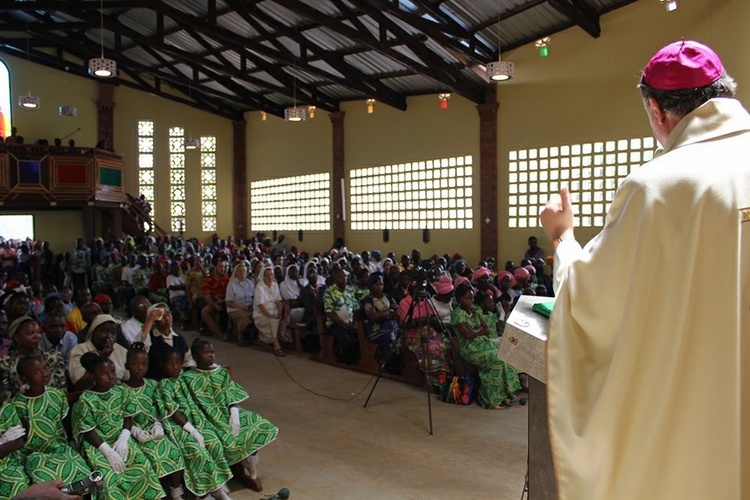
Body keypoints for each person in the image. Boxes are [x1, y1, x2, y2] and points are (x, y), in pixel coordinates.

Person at [539, 40, 750, 500]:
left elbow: (590, 301)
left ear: (657, 110)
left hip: (697, 424)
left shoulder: (655, 188)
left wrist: (562, 237)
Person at [183, 339, 278, 492]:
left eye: (212, 352)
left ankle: (250, 465)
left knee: (258, 424)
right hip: (206, 419)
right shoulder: (188, 378)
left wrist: (234, 411)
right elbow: (190, 404)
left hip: (226, 412)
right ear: (195, 356)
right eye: (206, 353)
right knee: (214, 441)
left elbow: (231, 393)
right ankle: (220, 479)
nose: (211, 356)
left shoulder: (220, 372)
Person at [71, 352, 164, 499]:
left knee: (142, 467)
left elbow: (128, 417)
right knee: (108, 477)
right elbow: (88, 431)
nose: (111, 376)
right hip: (98, 445)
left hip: (119, 438)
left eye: (113, 371)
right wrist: (108, 452)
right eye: (105, 374)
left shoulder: (121, 391)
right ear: (94, 376)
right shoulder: (86, 400)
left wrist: (124, 437)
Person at [157, 347, 233, 499]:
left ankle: (217, 486)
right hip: (179, 427)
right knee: (196, 451)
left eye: (177, 363)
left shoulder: (185, 378)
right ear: (163, 366)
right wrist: (192, 431)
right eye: (170, 364)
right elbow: (173, 412)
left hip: (196, 420)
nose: (175, 367)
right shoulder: (164, 385)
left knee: (213, 442)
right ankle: (202, 493)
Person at [11, 356, 92, 486]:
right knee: (47, 480)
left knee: (84, 476)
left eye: (45, 368)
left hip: (60, 448)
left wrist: (72, 442)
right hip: (34, 454)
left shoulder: (56, 395)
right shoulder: (18, 404)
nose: (44, 374)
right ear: (25, 379)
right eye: (37, 372)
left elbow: (64, 421)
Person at [122, 343, 186, 499]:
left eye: (143, 364)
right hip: (135, 434)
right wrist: (135, 431)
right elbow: (121, 417)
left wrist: (158, 425)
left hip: (154, 430)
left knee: (173, 451)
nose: (139, 368)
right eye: (135, 364)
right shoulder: (121, 390)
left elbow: (159, 408)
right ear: (126, 365)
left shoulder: (153, 385)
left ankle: (176, 490)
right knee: (148, 458)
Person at [450, 285, 520, 409]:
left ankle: (505, 395)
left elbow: (486, 328)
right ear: (459, 299)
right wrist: (478, 331)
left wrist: (476, 331)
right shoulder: (457, 314)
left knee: (506, 354)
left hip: (484, 343)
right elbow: (467, 335)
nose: (470, 301)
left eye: (471, 298)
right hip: (470, 349)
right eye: (467, 299)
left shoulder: (475, 310)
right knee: (495, 359)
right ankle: (490, 400)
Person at [0, 316, 66, 397]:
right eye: (30, 333)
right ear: (16, 337)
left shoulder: (53, 358)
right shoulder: (5, 363)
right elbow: (5, 395)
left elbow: (61, 390)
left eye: (38, 332)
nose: (37, 336)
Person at [68, 314, 129, 391]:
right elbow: (79, 384)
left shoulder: (120, 350)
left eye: (113, 333)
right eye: (105, 331)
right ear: (93, 332)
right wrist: (102, 357)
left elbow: (127, 378)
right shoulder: (79, 350)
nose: (110, 336)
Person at [137, 303, 195, 380]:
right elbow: (138, 348)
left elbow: (188, 359)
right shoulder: (150, 338)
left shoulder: (178, 338)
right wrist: (149, 320)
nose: (167, 318)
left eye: (168, 314)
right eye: (162, 316)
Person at [322, 268, 359, 365]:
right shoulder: (329, 292)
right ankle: (343, 358)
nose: (344, 279)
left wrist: (354, 323)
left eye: (345, 276)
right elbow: (329, 313)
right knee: (346, 341)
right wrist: (345, 325)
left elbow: (355, 308)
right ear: (334, 279)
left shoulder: (350, 290)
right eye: (340, 277)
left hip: (350, 322)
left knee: (360, 338)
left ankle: (355, 360)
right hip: (335, 323)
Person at [0, 382, 28, 498]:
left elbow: (18, 442)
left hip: (8, 463)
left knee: (19, 485)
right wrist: (3, 442)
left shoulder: (7, 409)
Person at [252, 265, 284, 357]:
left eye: (272, 275)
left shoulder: (274, 284)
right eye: (267, 275)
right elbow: (260, 304)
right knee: (272, 321)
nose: (270, 277)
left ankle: (268, 339)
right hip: (261, 314)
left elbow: (278, 300)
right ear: (263, 276)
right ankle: (277, 345)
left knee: (280, 319)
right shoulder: (260, 287)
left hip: (274, 311)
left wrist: (280, 311)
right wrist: (269, 315)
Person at [225, 261, 254, 346]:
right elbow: (228, 302)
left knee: (256, 315)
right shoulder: (232, 284)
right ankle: (239, 336)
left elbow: (254, 296)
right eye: (240, 271)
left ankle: (251, 336)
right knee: (244, 317)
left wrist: (251, 306)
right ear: (236, 273)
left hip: (248, 307)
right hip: (235, 308)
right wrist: (241, 308)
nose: (242, 273)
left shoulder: (250, 283)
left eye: (244, 271)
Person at [200, 260, 230, 338]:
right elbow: (207, 296)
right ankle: (218, 333)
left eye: (223, 267)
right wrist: (215, 305)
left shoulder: (227, 279)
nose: (222, 269)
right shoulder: (208, 279)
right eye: (220, 266)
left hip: (226, 301)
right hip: (214, 302)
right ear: (215, 267)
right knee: (205, 311)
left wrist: (223, 301)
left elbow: (231, 294)